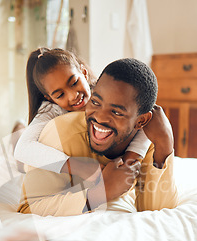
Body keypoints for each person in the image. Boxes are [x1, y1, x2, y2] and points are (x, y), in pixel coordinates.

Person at [18, 58, 178, 216]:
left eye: (116, 112)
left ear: (141, 121)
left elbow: (158, 211)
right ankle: (18, 128)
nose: (100, 118)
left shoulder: (147, 137)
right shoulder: (59, 131)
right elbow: (29, 206)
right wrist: (101, 193)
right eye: (95, 102)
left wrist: (165, 146)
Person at [14, 47, 150, 180]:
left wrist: (130, 160)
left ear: (84, 73)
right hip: (27, 160)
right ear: (50, 98)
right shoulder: (51, 110)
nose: (73, 96)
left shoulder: (104, 93)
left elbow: (146, 118)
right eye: (60, 95)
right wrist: (79, 167)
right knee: (21, 164)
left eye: (74, 83)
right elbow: (22, 150)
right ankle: (18, 129)